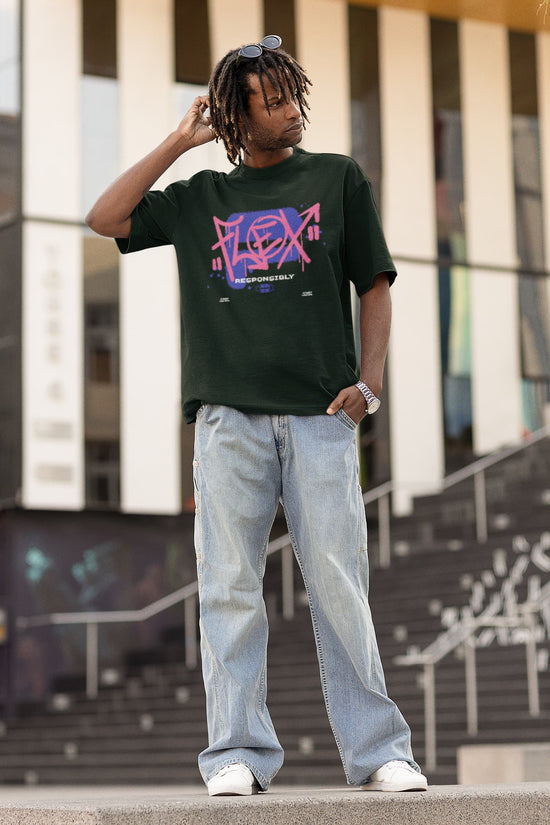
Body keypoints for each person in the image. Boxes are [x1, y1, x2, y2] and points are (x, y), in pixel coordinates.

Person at [86, 36, 428, 797]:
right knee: (229, 586)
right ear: (237, 114)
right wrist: (180, 141)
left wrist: (367, 388)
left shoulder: (337, 179)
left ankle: (378, 752)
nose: (290, 107)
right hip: (227, 423)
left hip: (318, 416)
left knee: (340, 584)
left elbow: (375, 283)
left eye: (291, 93)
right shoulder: (203, 199)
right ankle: (237, 751)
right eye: (271, 98)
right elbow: (104, 217)